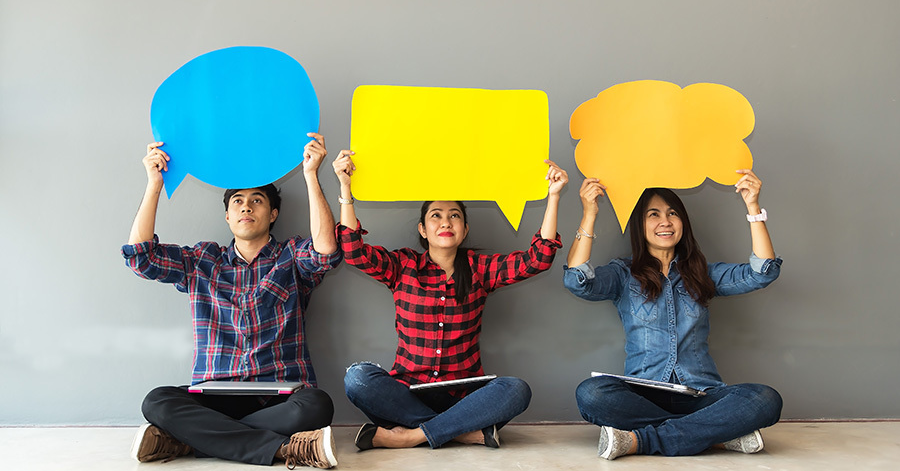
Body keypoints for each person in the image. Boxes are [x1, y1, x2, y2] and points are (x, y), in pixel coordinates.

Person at [121, 134, 341, 469]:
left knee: (317, 405)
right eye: (237, 201)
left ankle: (187, 439)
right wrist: (154, 184)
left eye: (257, 201)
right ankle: (285, 449)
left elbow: (326, 252)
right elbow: (141, 258)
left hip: (279, 395)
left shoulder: (291, 256)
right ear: (227, 216)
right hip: (214, 396)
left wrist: (311, 174)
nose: (246, 206)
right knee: (157, 401)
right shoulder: (202, 260)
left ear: (273, 214)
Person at [332, 149, 567, 450]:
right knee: (358, 378)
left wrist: (554, 197)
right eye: (436, 216)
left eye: (454, 216)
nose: (446, 222)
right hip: (408, 393)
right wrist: (345, 187)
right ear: (423, 230)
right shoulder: (403, 266)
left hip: (464, 396)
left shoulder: (479, 269)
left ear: (465, 229)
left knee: (515, 390)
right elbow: (353, 251)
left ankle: (413, 435)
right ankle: (461, 433)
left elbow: (538, 259)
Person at [563, 170, 783, 460]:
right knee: (592, 393)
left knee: (764, 399)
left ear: (683, 224)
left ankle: (639, 441)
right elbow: (577, 280)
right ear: (640, 225)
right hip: (642, 397)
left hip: (702, 395)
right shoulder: (623, 274)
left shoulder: (703, 274)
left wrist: (753, 207)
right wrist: (590, 213)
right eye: (653, 214)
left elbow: (762, 272)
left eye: (672, 213)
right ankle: (712, 438)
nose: (665, 222)